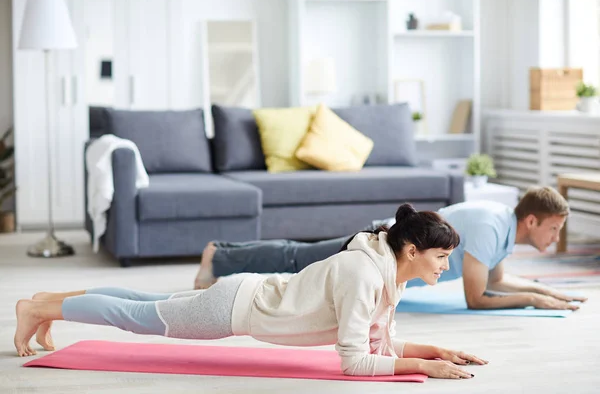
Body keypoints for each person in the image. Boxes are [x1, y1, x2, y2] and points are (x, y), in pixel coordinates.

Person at [15, 205, 488, 379]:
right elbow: (355, 362)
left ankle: (46, 303)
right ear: (410, 250)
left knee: (141, 304)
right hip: (235, 309)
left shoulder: (384, 269)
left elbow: (378, 340)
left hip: (246, 293)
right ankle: (39, 306)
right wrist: (425, 366)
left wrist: (438, 350)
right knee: (138, 318)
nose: (446, 267)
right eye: (441, 257)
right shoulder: (366, 275)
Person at [194, 186, 588, 310]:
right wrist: (534, 302)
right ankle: (220, 256)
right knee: (299, 258)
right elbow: (477, 296)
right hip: (377, 245)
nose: (555, 239)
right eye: (553, 229)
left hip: (387, 247)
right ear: (532, 221)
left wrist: (548, 291)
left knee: (300, 257)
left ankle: (224, 252)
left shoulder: (503, 228)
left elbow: (498, 279)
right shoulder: (490, 227)